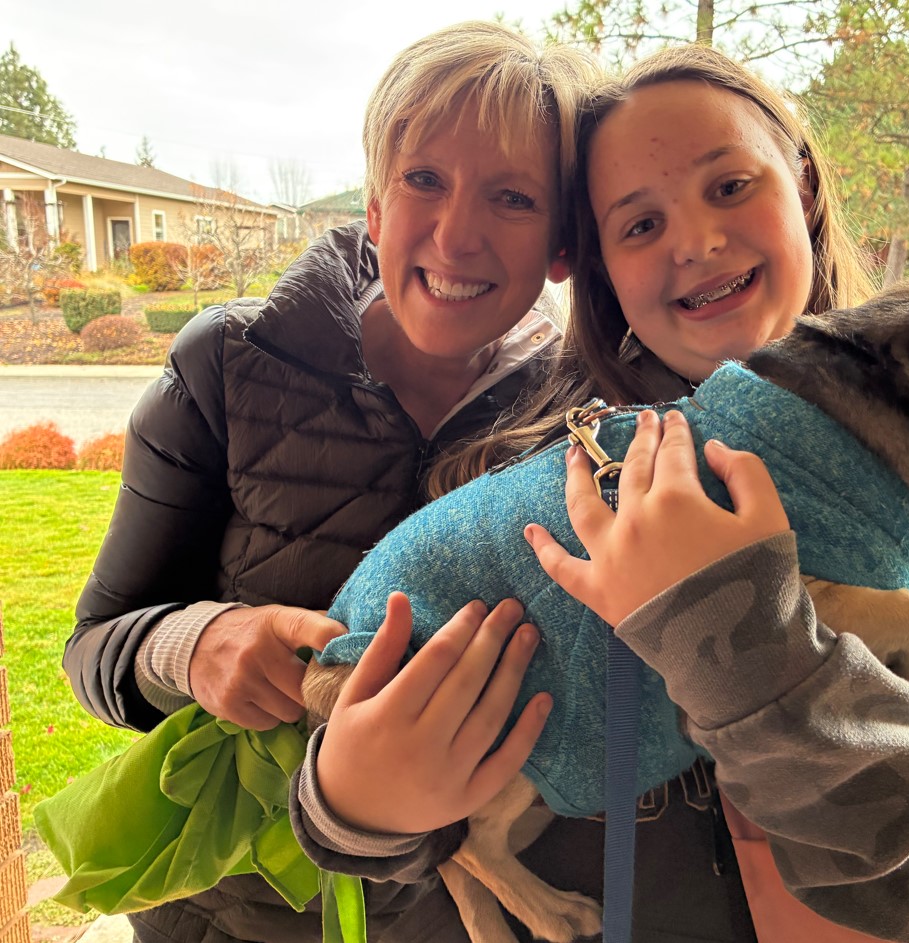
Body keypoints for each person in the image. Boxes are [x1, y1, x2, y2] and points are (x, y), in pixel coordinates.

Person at [293, 44, 909, 943]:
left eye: (729, 186)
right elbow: (379, 810)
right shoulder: (514, 454)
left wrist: (751, 639)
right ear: (595, 261)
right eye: (637, 224)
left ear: (801, 186)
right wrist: (347, 806)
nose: (695, 240)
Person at [64, 22, 600, 943]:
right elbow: (95, 650)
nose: (455, 232)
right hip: (232, 918)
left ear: (561, 243)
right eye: (423, 178)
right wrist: (197, 643)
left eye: (512, 197)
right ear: (376, 207)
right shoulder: (229, 363)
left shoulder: (592, 416)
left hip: (466, 917)